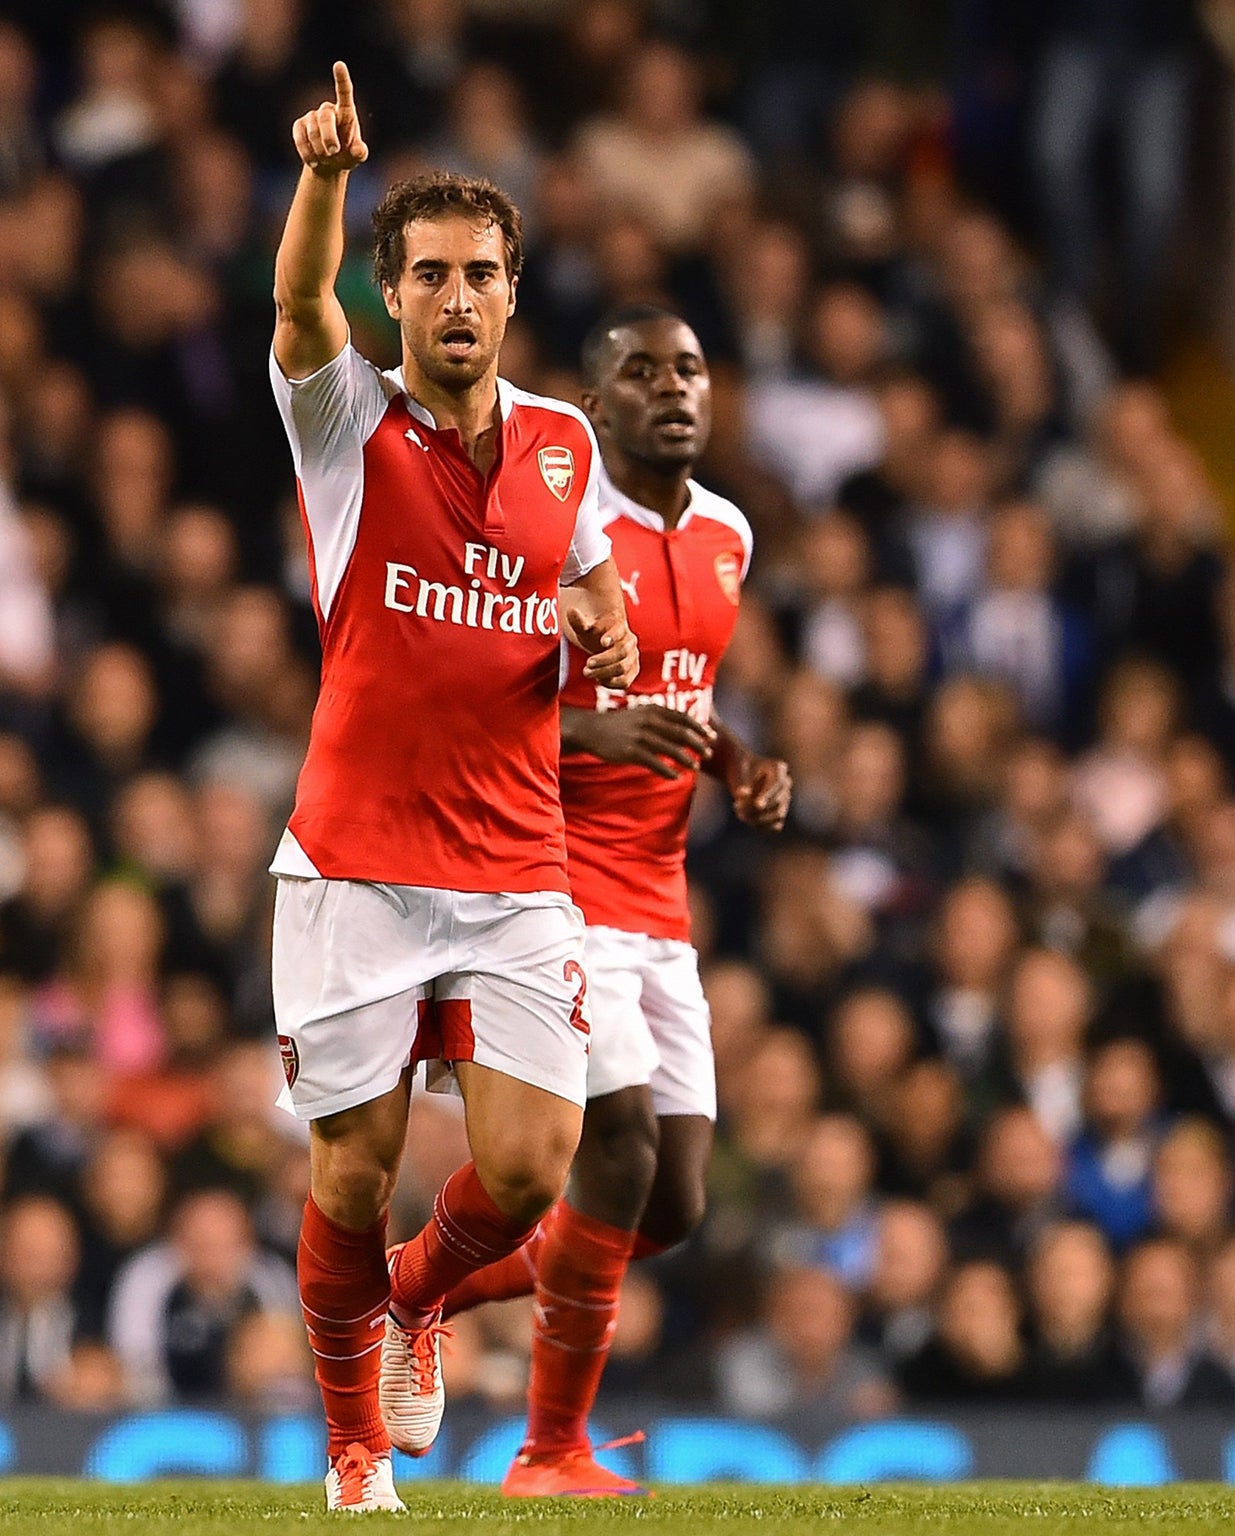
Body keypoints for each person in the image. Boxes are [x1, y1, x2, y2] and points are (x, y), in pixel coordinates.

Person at [269, 65, 638, 1512]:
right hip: (355, 859)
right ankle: (357, 1450)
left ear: (512, 289)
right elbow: (300, 311)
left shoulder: (566, 442)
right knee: (351, 1173)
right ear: (396, 296)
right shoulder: (346, 425)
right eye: (427, 275)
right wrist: (320, 178)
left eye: (480, 271)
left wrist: (602, 618)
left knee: (536, 1166)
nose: (456, 296)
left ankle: (416, 1302)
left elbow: (593, 576)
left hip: (516, 863)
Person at [435, 305, 792, 1497]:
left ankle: (408, 1291)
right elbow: (468, 702)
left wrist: (734, 764)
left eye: (688, 367)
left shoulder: (732, 534)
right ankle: (548, 1453)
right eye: (639, 374)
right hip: (549, 886)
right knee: (621, 1153)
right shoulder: (548, 532)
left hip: (661, 902)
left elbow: (684, 697)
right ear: (594, 408)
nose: (671, 390)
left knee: (673, 1204)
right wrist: (592, 724)